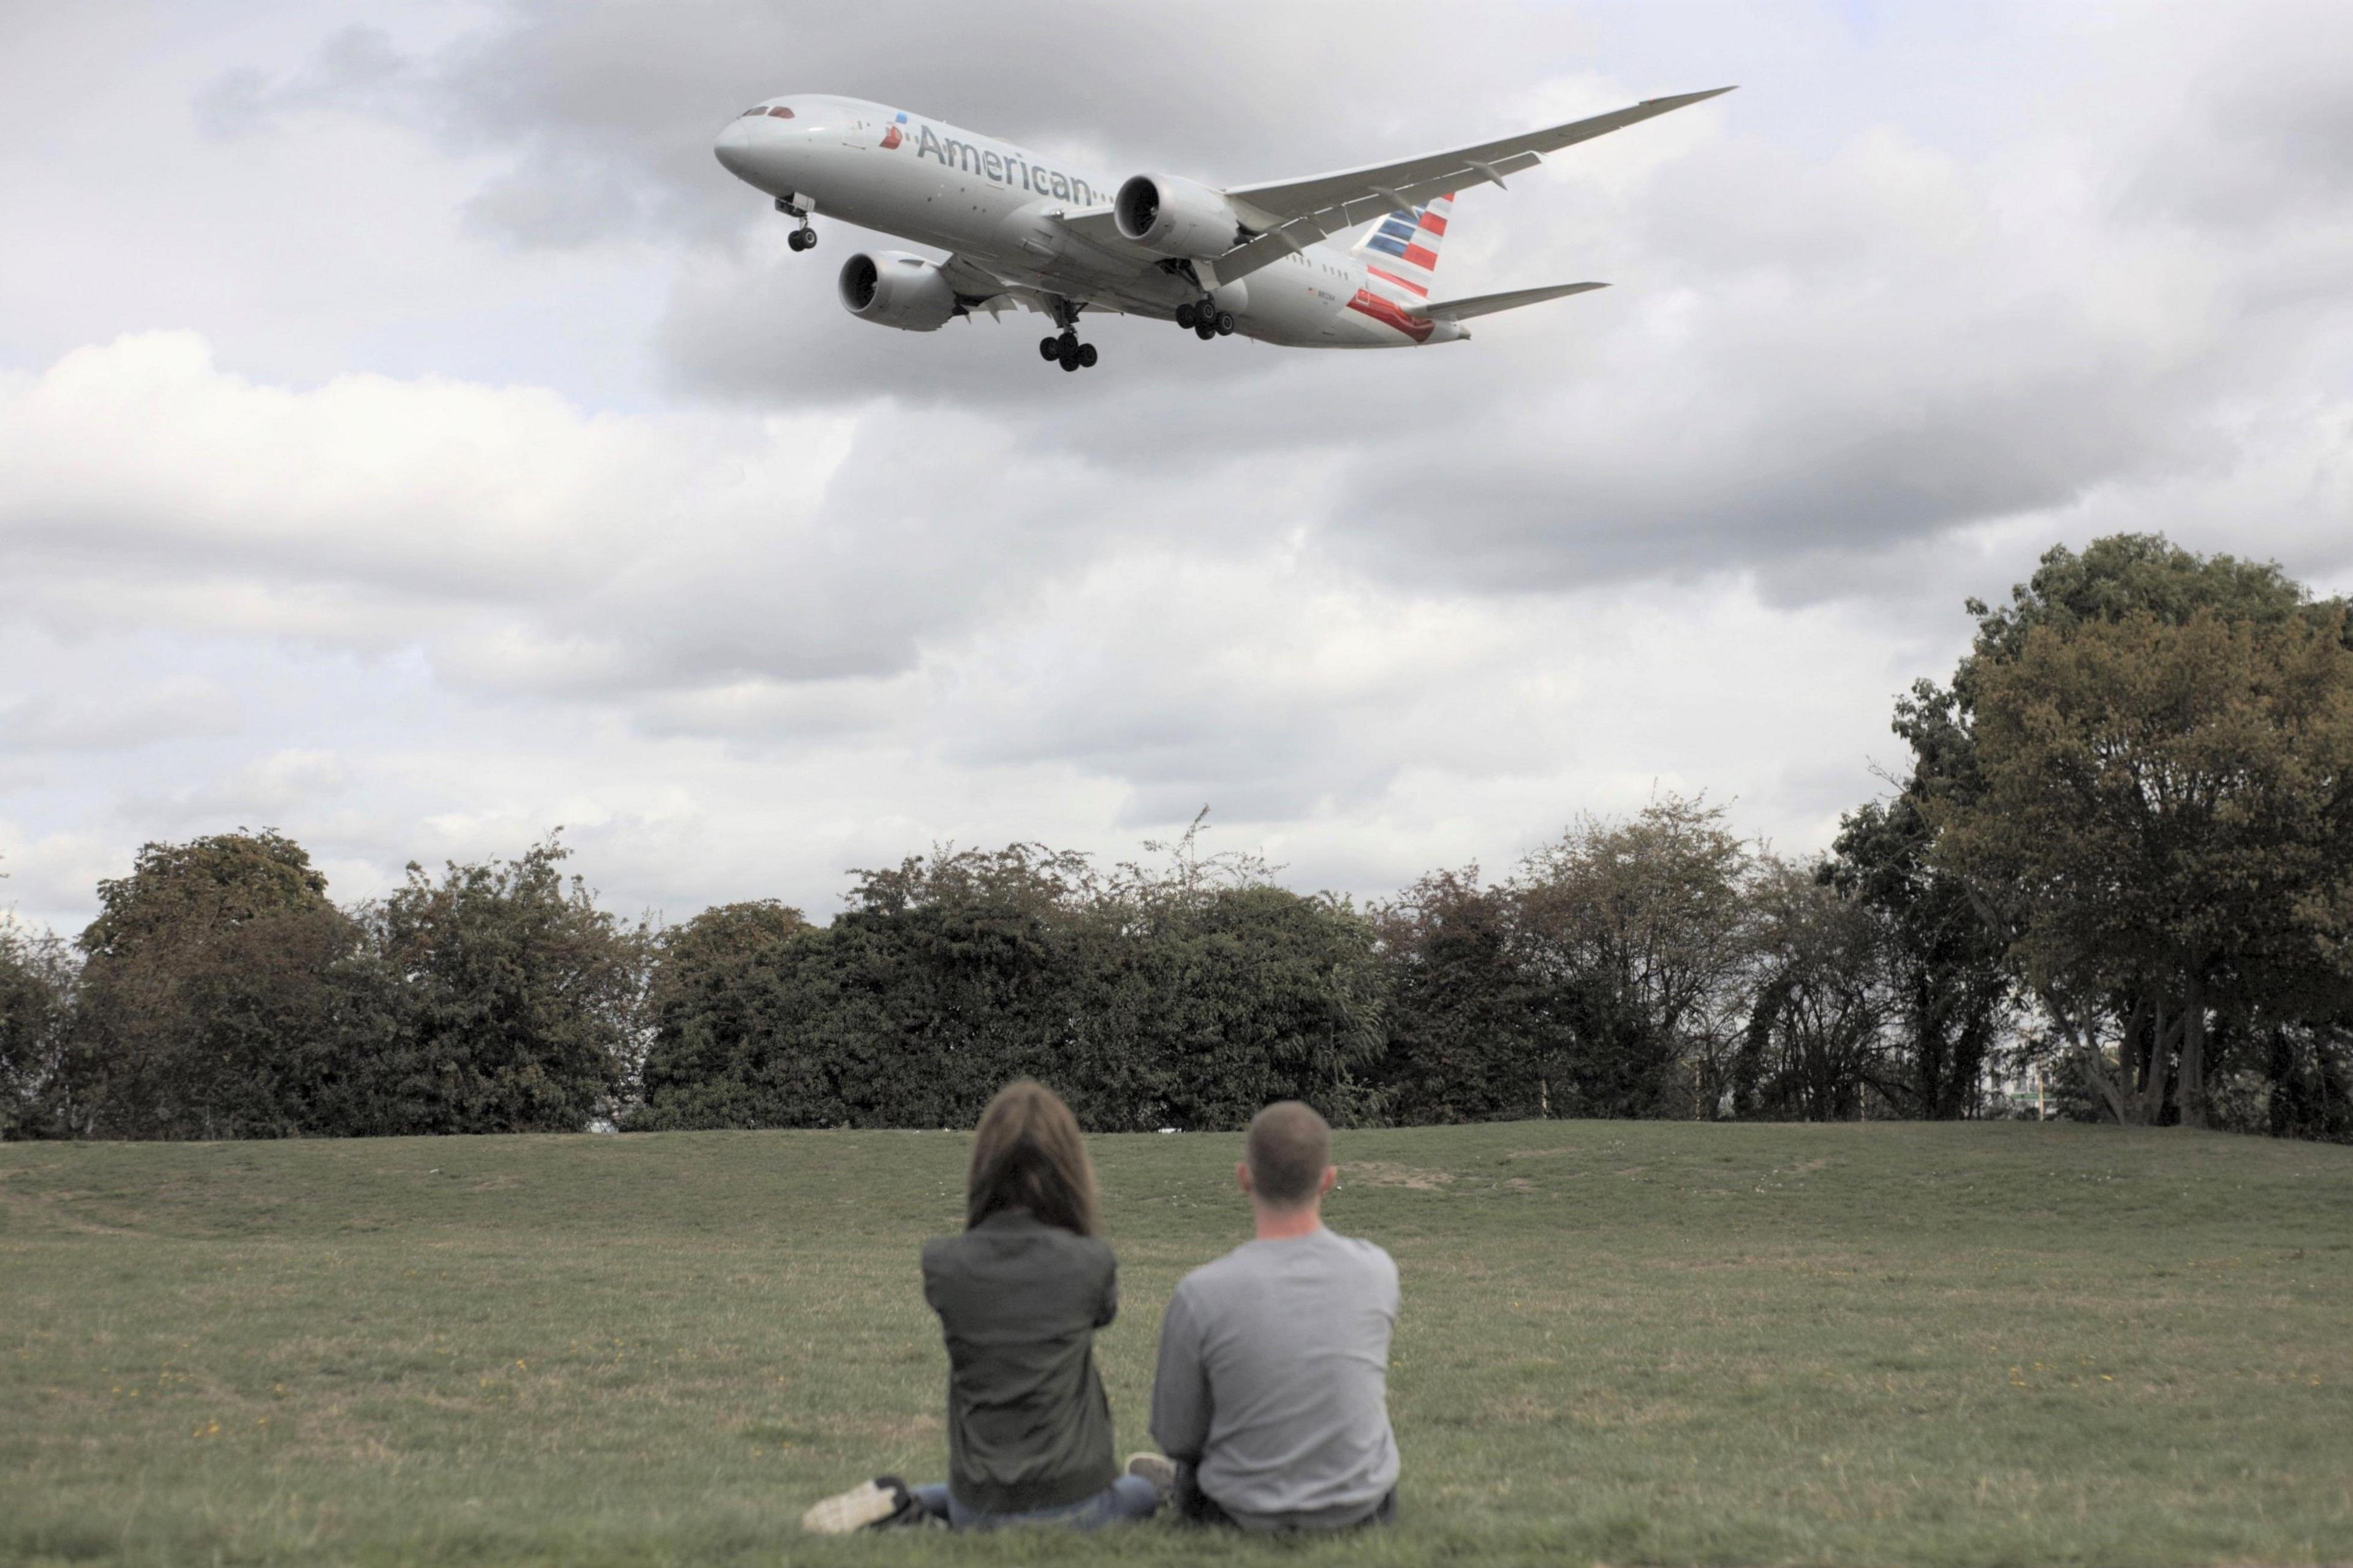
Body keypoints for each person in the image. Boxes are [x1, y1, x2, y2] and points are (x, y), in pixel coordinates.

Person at [800, 1080, 1159, 1534]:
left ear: (983, 1165)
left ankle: (900, 1502)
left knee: (965, 1500)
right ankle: (906, 1504)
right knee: (1143, 1491)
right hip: (1077, 1500)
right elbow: (1103, 1312)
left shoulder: (944, 1262)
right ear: (1070, 1168)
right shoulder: (1091, 1261)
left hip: (978, 1504)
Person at [1131, 1099, 1401, 1531]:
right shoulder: (1378, 1271)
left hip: (1237, 1511)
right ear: (1328, 1180)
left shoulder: (1201, 1293)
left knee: (1183, 1470)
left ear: (1244, 1177)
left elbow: (1177, 1436)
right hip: (1362, 1508)